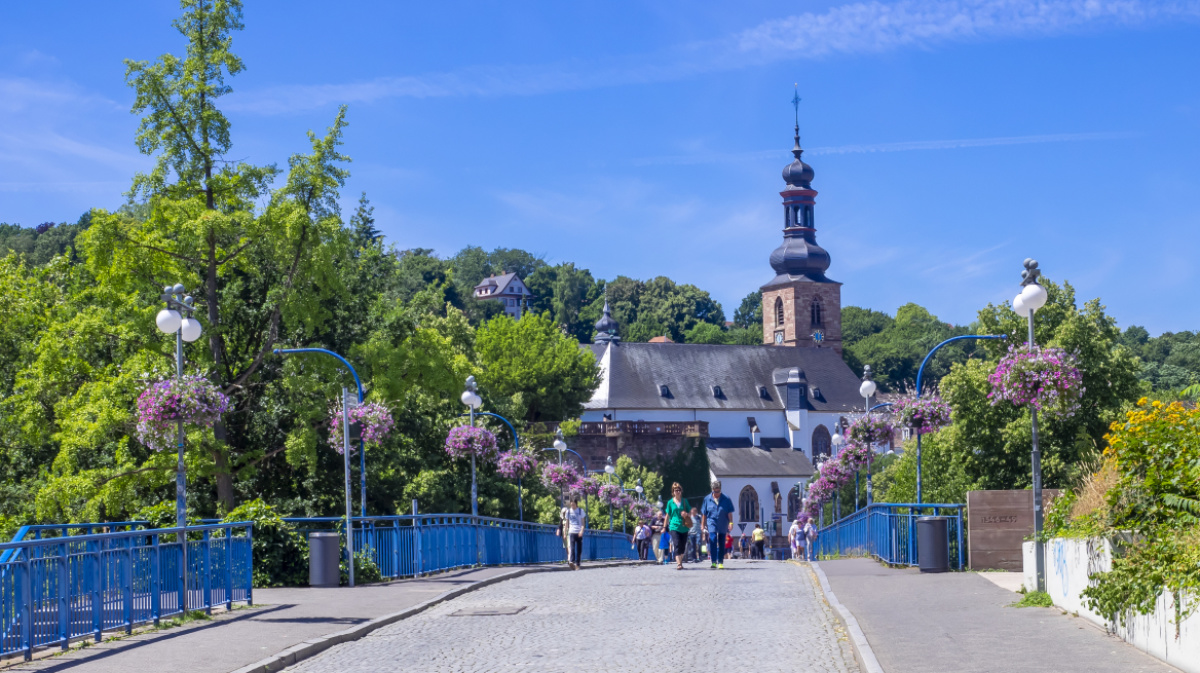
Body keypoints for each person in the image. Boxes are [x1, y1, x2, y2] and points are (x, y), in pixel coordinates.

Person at [699, 480, 735, 569]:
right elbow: (704, 513)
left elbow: (730, 512)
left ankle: (720, 561)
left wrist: (731, 523)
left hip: (723, 522)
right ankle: (714, 561)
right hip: (712, 522)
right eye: (715, 491)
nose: (716, 493)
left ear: (720, 490)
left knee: (722, 541)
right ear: (712, 490)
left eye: (718, 491)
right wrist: (702, 525)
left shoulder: (726, 498)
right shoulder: (707, 499)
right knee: (713, 539)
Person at [663, 482, 691, 570]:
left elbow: (690, 513)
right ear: (673, 492)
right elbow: (667, 515)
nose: (677, 492)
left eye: (679, 490)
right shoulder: (670, 502)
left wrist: (686, 514)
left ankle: (680, 561)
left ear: (681, 491)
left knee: (683, 546)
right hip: (674, 526)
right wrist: (664, 527)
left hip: (684, 526)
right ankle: (679, 564)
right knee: (677, 544)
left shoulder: (685, 501)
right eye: (676, 490)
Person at [562, 497, 586, 569]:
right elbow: (566, 523)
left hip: (578, 532)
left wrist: (581, 531)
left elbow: (583, 523)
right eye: (571, 505)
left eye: (574, 505)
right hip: (571, 531)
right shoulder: (568, 512)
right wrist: (564, 533)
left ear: (576, 504)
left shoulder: (580, 511)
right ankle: (572, 562)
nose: (572, 506)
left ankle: (578, 564)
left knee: (579, 549)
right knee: (572, 548)